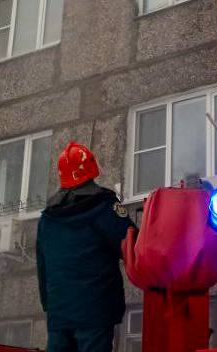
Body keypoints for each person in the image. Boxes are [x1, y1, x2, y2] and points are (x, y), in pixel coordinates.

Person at [36, 141, 136, 352]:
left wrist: (50, 307)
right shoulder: (104, 206)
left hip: (59, 316)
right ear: (91, 168)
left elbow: (42, 268)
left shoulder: (48, 218)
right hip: (95, 312)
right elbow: (131, 244)